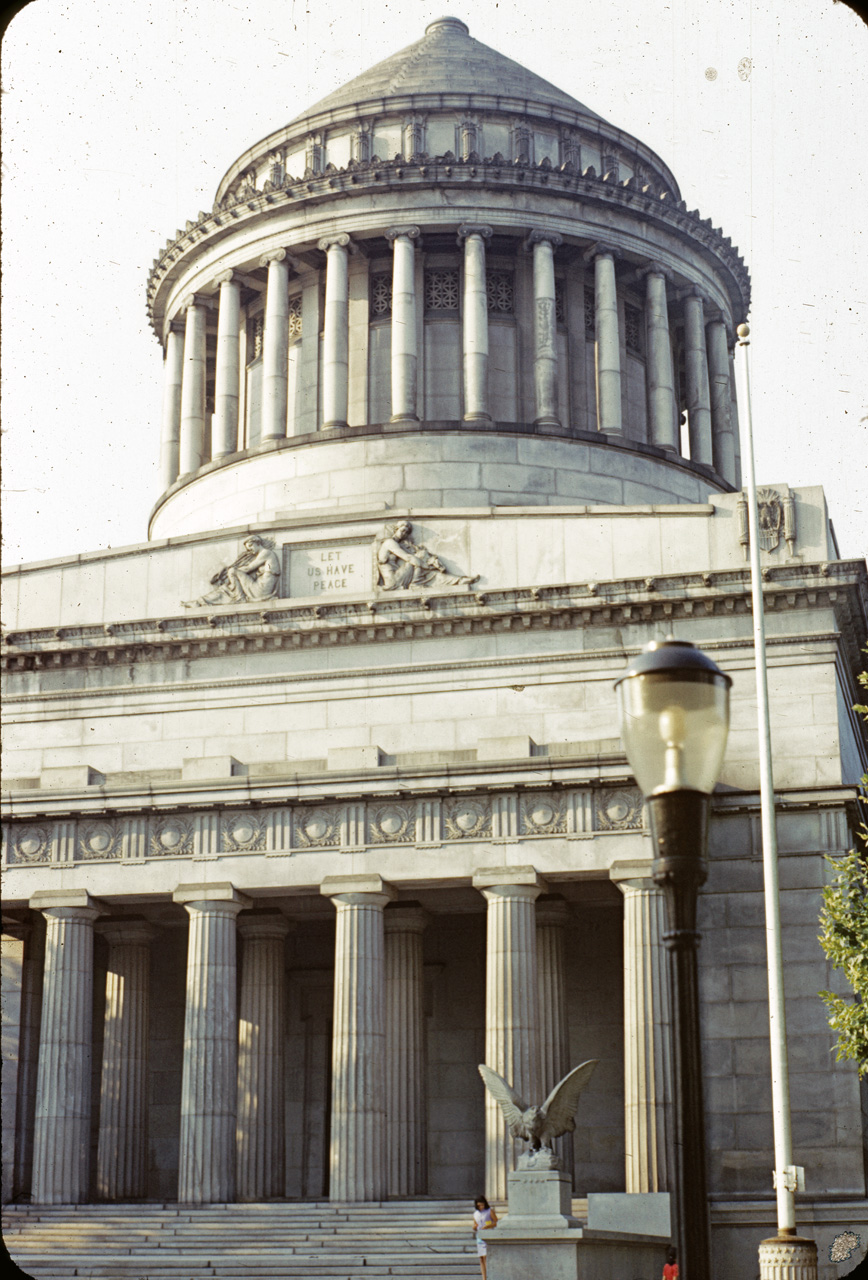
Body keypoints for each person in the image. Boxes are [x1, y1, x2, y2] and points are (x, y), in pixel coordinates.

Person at [184, 534, 280, 606]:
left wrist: (232, 570)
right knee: (225, 589)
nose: (250, 550)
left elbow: (249, 568)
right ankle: (202, 601)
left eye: (250, 546)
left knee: (232, 572)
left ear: (257, 543)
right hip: (259, 587)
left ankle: (239, 598)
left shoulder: (265, 553)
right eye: (248, 548)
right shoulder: (263, 554)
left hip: (261, 590)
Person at [472, 1196, 498, 1279]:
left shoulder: (489, 1211)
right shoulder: (475, 1214)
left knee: (486, 1256)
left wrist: (488, 1226)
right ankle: (484, 1277)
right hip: (480, 1237)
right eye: (479, 1205)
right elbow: (475, 1224)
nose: (481, 1207)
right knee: (481, 1258)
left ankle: (489, 1276)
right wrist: (474, 1227)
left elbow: (496, 1222)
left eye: (482, 1205)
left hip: (488, 1235)